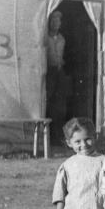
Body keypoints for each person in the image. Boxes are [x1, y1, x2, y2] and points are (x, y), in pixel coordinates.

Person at [45, 10, 70, 145]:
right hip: (48, 72)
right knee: (48, 102)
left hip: (59, 72)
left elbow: (62, 56)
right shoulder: (44, 37)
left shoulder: (62, 39)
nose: (55, 23)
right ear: (49, 23)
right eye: (53, 21)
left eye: (58, 21)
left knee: (60, 105)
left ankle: (58, 135)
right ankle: (48, 136)